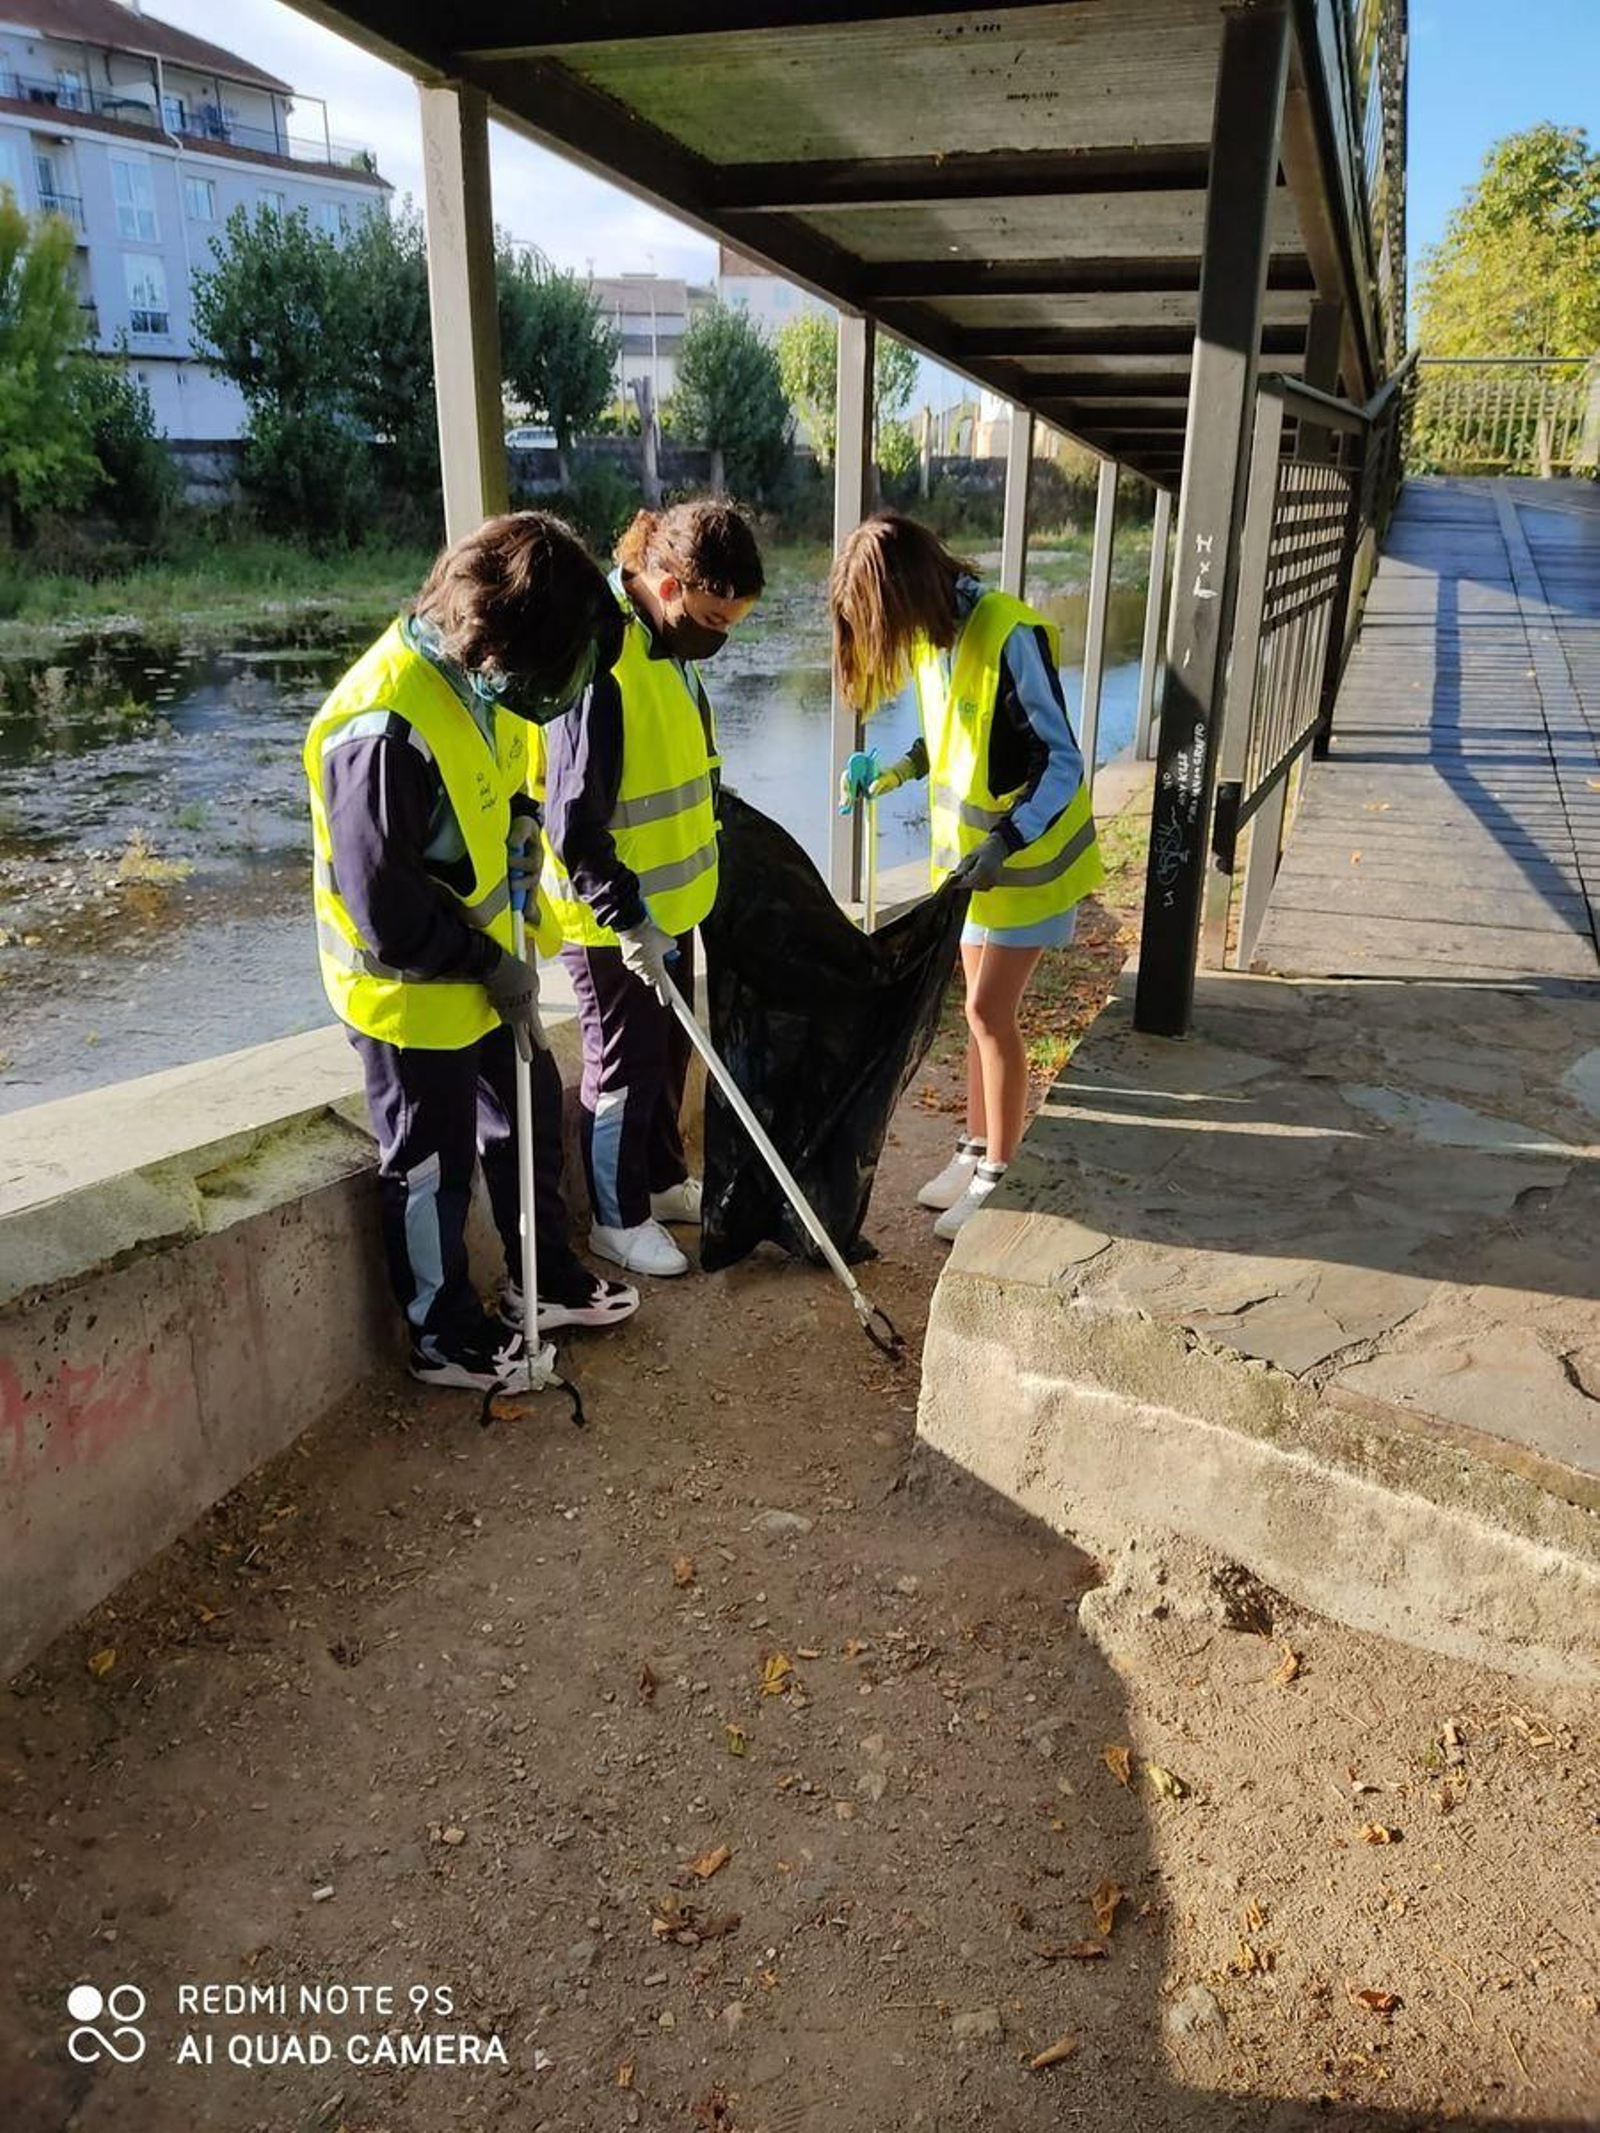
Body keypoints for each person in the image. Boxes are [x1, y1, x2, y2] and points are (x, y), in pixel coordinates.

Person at [304, 511, 640, 1393]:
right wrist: (491, 964)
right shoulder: (380, 727)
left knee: (529, 1119)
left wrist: (525, 819)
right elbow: (387, 909)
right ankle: (441, 1331)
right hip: (411, 998)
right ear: (499, 634)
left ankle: (545, 1279)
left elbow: (496, 786)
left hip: (489, 976)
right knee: (431, 1166)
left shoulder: (480, 684)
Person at [832, 511, 1103, 1239]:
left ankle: (999, 1175)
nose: (892, 643)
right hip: (969, 872)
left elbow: (1063, 759)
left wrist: (1009, 838)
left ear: (913, 591)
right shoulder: (935, 637)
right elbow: (945, 738)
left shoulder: (1011, 634)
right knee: (978, 1016)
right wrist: (886, 775)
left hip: (1028, 869)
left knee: (989, 1015)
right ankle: (974, 1148)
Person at [540, 501, 765, 1278]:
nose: (719, 636)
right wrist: (627, 917)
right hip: (614, 924)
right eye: (711, 617)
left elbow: (689, 774)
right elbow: (572, 822)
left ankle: (663, 1179)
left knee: (669, 1054)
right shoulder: (600, 663)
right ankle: (616, 1218)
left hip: (673, 907)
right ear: (666, 585)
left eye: (731, 622)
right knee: (622, 1069)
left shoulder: (670, 651)